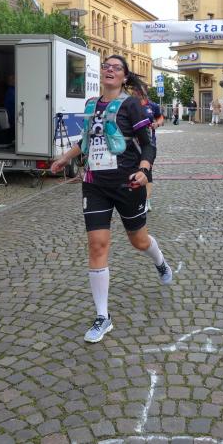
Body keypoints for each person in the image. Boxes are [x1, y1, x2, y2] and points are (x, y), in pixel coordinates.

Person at [49, 55, 171, 343]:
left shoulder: (131, 105)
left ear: (124, 77)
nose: (110, 70)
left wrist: (144, 170)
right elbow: (86, 140)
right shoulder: (91, 104)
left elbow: (148, 144)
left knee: (139, 241)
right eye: (106, 66)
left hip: (128, 183)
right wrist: (64, 158)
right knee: (97, 244)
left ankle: (160, 262)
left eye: (116, 68)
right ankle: (102, 316)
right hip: (95, 185)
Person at [131, 82, 164, 212]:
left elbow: (160, 117)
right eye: (134, 91)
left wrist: (157, 124)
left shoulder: (152, 105)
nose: (136, 94)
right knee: (133, 170)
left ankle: (146, 200)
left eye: (139, 92)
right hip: (132, 145)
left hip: (149, 144)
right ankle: (135, 198)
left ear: (144, 92)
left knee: (146, 171)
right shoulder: (129, 105)